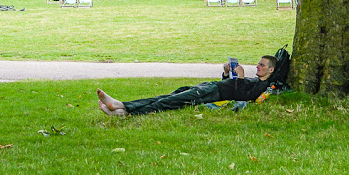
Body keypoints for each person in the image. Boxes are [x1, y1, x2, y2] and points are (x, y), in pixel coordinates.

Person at [97, 56, 277, 116]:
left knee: (169, 102)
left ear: (271, 69)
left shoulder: (263, 87)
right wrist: (226, 74)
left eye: (262, 65)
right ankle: (123, 110)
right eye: (258, 64)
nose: (258, 67)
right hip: (210, 87)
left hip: (210, 93)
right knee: (168, 97)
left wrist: (240, 78)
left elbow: (242, 97)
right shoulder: (256, 81)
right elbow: (232, 87)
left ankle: (123, 107)